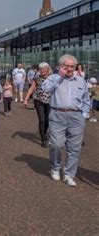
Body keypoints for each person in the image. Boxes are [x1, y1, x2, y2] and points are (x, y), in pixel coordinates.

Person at [42, 54, 91, 187]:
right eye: (66, 66)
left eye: (71, 66)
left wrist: (84, 114)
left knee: (74, 148)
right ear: (60, 66)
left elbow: (86, 99)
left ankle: (69, 174)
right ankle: (55, 167)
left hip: (76, 116)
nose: (69, 69)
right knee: (56, 144)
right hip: (58, 115)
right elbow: (45, 89)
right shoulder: (54, 78)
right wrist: (60, 76)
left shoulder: (81, 80)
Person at [23, 62, 52, 147]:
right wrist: (26, 99)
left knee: (47, 120)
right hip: (38, 100)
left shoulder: (52, 78)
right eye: (40, 69)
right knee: (42, 120)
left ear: (47, 69)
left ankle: (44, 133)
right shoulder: (37, 77)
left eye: (43, 69)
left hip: (49, 101)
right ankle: (43, 139)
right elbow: (32, 88)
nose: (41, 70)